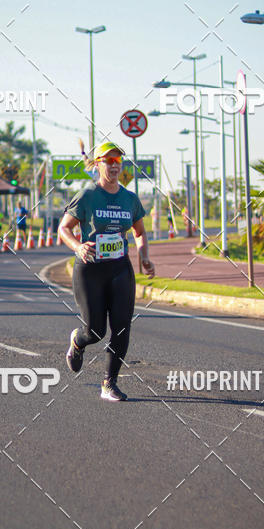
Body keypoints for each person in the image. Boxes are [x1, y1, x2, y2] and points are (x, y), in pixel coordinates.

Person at [58, 141, 155, 402]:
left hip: (120, 268)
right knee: (96, 331)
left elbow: (140, 232)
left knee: (122, 328)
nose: (114, 165)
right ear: (98, 163)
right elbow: (64, 229)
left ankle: (109, 383)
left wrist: (144, 257)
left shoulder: (129, 199)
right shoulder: (88, 195)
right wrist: (77, 247)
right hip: (90, 270)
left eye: (118, 161)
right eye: (109, 161)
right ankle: (78, 341)